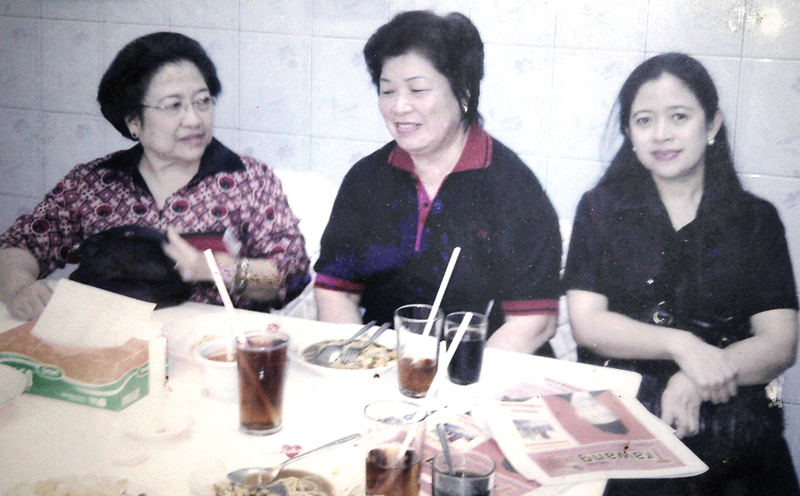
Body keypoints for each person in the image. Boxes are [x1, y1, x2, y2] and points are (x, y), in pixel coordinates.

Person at [564, 52, 799, 495]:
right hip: (621, 418)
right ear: (629, 134)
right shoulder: (599, 209)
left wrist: (695, 377)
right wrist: (682, 345)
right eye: (644, 120)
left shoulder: (756, 219)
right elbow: (588, 323)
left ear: (712, 124)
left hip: (734, 427)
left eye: (679, 116)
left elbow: (780, 343)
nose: (661, 134)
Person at [0, 32, 310, 320]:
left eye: (202, 101)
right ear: (133, 121)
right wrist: (19, 287)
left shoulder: (250, 181)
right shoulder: (92, 183)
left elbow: (290, 274)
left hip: (206, 347)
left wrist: (217, 269)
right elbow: (21, 244)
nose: (194, 119)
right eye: (173, 106)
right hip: (104, 336)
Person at [313, 11, 562, 355]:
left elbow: (534, 322)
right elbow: (335, 291)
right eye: (387, 91)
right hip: (383, 364)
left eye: (417, 90)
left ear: (464, 92)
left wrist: (461, 379)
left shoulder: (512, 187)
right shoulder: (366, 179)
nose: (399, 107)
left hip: (483, 367)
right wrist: (363, 364)